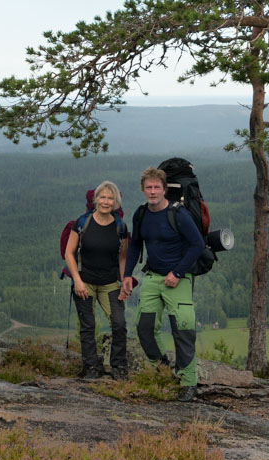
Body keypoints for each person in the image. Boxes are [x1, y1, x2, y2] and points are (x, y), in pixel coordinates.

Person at [121, 166, 205, 402]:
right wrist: (128, 274)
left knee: (183, 327)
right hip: (152, 277)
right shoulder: (141, 214)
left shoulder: (178, 215)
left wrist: (177, 272)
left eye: (157, 187)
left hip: (178, 278)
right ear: (142, 189)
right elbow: (136, 244)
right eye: (148, 187)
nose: (153, 191)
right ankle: (163, 372)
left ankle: (189, 382)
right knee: (144, 326)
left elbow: (197, 245)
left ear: (164, 189)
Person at [63, 181, 129, 379]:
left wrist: (124, 282)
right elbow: (69, 253)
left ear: (115, 202)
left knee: (119, 323)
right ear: (96, 199)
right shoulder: (82, 223)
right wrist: (77, 281)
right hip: (86, 282)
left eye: (110, 198)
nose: (106, 202)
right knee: (88, 325)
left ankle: (118, 366)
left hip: (110, 283)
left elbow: (123, 257)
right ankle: (91, 366)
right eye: (103, 197)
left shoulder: (120, 227)